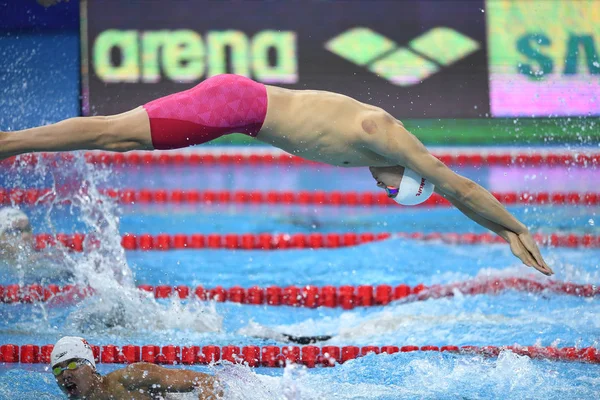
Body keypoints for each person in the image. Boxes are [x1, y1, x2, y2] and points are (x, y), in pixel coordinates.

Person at [0, 74, 552, 276]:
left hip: (239, 110)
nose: (382, 191)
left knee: (113, 137)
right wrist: (511, 229)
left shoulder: (368, 158)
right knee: (113, 135)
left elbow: (454, 190)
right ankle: (10, 145)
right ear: (402, 179)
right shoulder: (383, 134)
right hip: (236, 105)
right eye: (393, 192)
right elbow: (461, 187)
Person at [50, 336, 221, 399]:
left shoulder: (130, 378)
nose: (65, 374)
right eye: (57, 370)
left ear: (91, 367)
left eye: (72, 365)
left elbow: (207, 381)